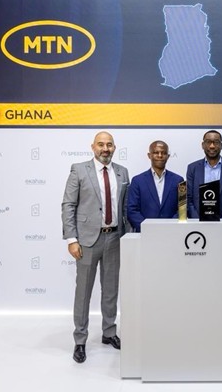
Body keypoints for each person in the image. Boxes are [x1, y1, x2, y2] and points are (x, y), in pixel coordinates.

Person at [61, 131, 130, 363]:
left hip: (115, 238)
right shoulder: (79, 170)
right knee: (83, 292)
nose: (105, 149)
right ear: (93, 147)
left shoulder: (122, 172)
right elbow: (68, 205)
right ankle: (80, 340)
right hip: (87, 241)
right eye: (101, 144)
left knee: (111, 290)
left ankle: (109, 332)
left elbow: (125, 207)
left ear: (114, 148)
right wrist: (72, 239)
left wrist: (128, 236)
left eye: (109, 145)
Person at [127, 140, 185, 232]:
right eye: (156, 152)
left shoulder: (179, 180)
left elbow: (182, 210)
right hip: (145, 234)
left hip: (172, 233)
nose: (160, 155)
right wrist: (147, 229)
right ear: (149, 155)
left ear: (168, 156)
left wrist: (170, 227)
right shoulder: (137, 181)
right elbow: (132, 210)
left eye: (163, 153)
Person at [186, 130, 222, 219]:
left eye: (216, 142)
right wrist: (197, 221)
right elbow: (188, 199)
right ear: (202, 145)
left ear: (221, 145)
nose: (212, 146)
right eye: (208, 142)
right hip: (197, 223)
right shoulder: (192, 168)